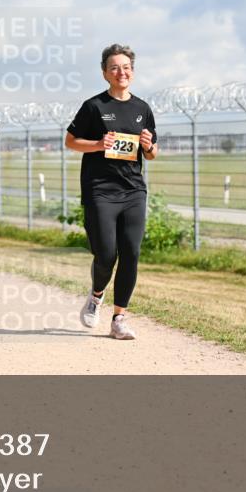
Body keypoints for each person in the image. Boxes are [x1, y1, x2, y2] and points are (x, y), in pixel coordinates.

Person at [65, 44, 158, 340]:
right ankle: (96, 296)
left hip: (133, 190)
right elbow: (70, 141)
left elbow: (153, 153)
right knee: (106, 254)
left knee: (130, 252)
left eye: (126, 67)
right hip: (100, 190)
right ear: (105, 73)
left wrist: (148, 146)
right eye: (115, 67)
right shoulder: (94, 107)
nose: (122, 72)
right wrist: (96, 145)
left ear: (133, 71)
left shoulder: (142, 108)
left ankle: (119, 318)